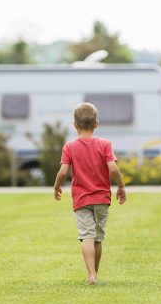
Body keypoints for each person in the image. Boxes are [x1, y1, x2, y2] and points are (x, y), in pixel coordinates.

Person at [53, 103, 126, 285]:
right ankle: (95, 274)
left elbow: (63, 172)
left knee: (87, 236)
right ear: (97, 124)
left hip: (81, 199)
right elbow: (113, 168)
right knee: (98, 238)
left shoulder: (70, 146)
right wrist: (121, 186)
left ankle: (91, 274)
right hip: (102, 198)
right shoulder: (105, 144)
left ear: (75, 125)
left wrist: (56, 187)